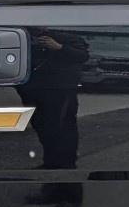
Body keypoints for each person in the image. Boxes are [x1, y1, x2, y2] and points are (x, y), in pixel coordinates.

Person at [17, 29, 88, 170]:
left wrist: (59, 48)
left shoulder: (69, 36)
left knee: (62, 125)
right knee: (41, 125)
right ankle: (51, 161)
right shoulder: (22, 35)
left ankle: (67, 162)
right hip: (32, 88)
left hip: (60, 89)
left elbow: (82, 56)